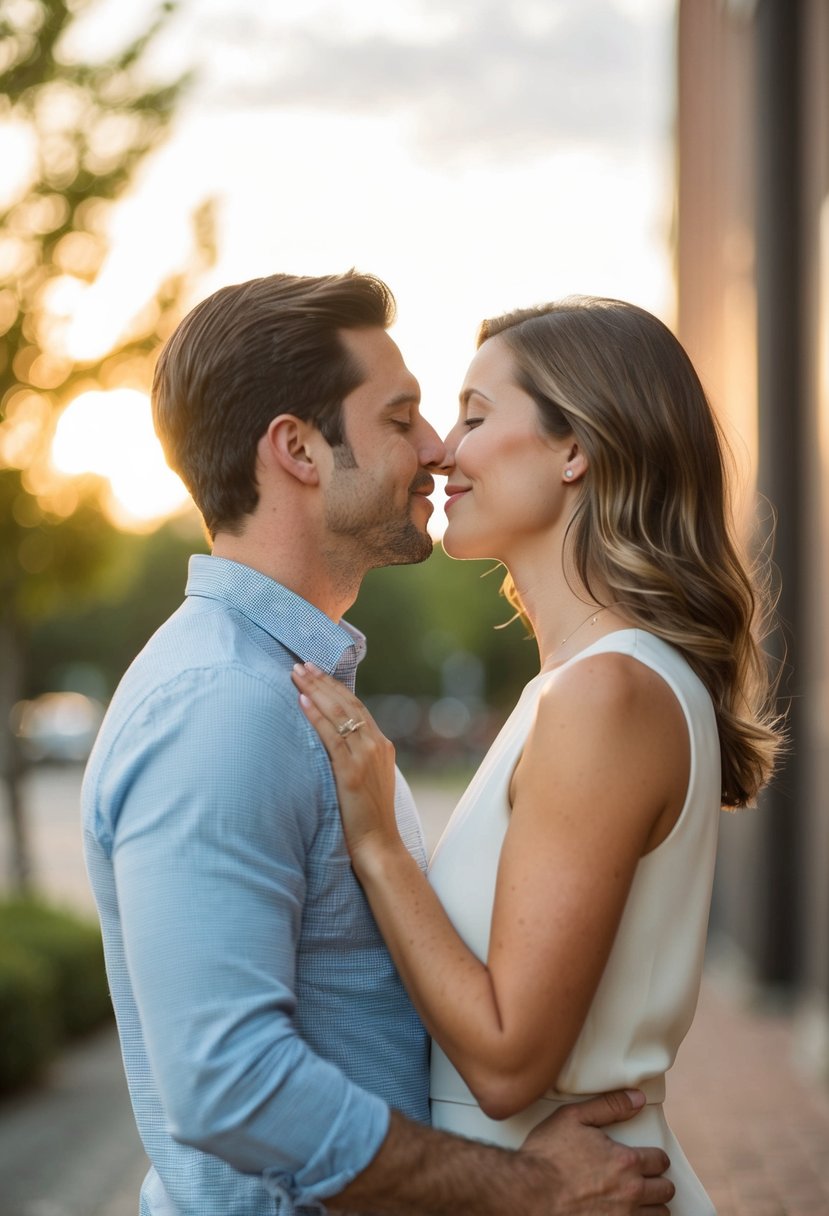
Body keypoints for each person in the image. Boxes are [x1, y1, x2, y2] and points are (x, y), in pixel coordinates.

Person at [82, 273, 675, 1216]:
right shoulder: (223, 706)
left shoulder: (290, 689)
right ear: (298, 450)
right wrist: (521, 1188)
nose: (438, 450)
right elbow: (228, 1082)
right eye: (402, 420)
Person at [294, 295, 783, 1216]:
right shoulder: (576, 688)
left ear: (574, 448)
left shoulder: (605, 694)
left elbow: (510, 1059)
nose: (442, 447)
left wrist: (379, 842)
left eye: (476, 415)